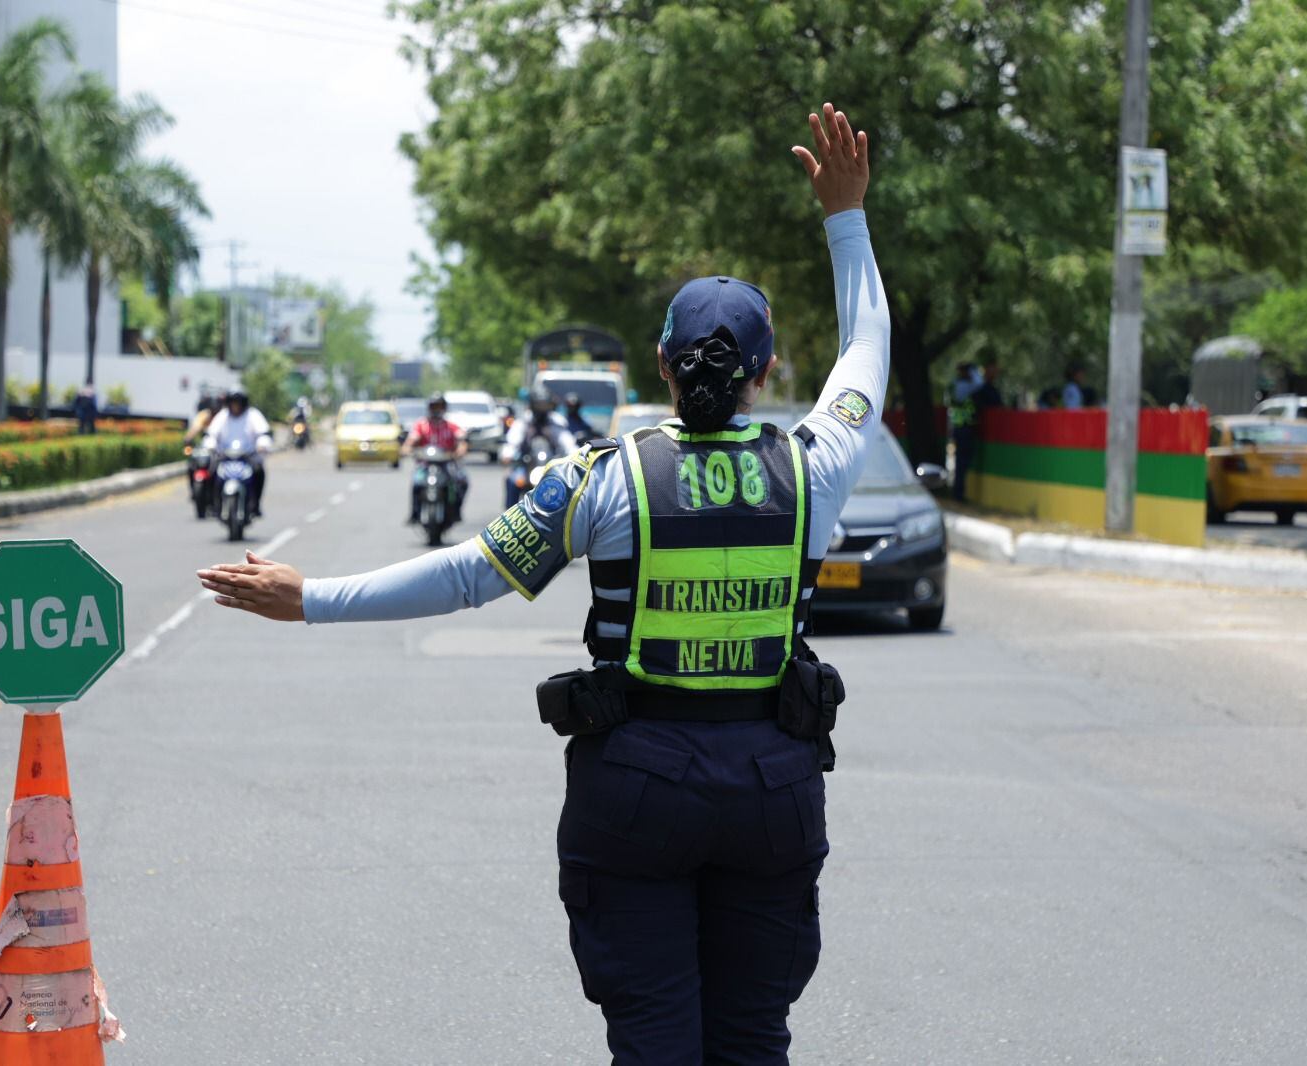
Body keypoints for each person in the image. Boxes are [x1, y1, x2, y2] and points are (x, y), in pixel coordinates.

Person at [196, 101, 885, 1064]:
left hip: (636, 790)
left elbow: (469, 576)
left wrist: (310, 596)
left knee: (653, 1042)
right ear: (766, 373)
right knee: (752, 1040)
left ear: (659, 366)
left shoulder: (601, 478)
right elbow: (865, 353)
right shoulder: (817, 468)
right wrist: (845, 217)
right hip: (773, 791)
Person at [402, 393, 469, 524]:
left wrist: (461, 450)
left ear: (444, 408)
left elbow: (462, 440)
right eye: (434, 406)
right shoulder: (421, 425)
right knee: (416, 483)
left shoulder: (451, 426)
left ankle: (456, 511)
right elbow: (411, 441)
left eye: (439, 406)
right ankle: (415, 513)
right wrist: (407, 448)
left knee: (462, 482)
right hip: (425, 464)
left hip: (446, 464)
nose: (436, 409)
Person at [205, 388, 273, 517]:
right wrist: (210, 444)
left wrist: (262, 444)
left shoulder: (253, 415)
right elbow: (212, 433)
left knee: (259, 471)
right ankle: (214, 504)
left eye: (238, 402)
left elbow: (263, 433)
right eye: (233, 402)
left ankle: (255, 504)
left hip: (247, 457)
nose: (235, 406)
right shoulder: (223, 416)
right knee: (211, 472)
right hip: (225, 456)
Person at [953, 359, 1003, 501]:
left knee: (963, 463)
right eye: (968, 370)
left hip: (966, 428)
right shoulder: (962, 386)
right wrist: (976, 373)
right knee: (961, 463)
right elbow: (979, 384)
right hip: (963, 428)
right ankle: (958, 494)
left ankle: (959, 492)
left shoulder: (967, 385)